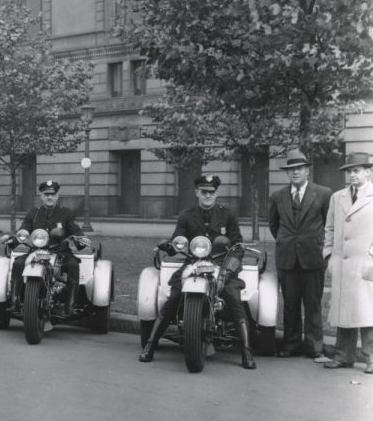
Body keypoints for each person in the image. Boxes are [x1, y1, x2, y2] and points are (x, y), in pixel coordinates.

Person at [139, 174, 256, 369]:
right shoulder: (187, 215)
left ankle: (246, 351)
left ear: (216, 193)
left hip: (222, 266)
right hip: (194, 265)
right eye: (204, 192)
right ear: (197, 192)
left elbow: (238, 246)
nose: (208, 195)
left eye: (211, 192)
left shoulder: (227, 214)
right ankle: (150, 345)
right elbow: (178, 241)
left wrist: (227, 271)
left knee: (235, 299)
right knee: (175, 297)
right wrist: (166, 246)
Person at [268, 149, 332, 360]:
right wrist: (288, 241)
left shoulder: (323, 194)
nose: (295, 173)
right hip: (287, 258)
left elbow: (328, 225)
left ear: (307, 171)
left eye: (299, 168)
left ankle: (315, 347)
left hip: (313, 257)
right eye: (291, 170)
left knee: (313, 304)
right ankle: (291, 344)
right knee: (290, 303)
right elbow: (274, 225)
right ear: (287, 173)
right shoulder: (278, 196)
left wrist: (318, 246)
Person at [7, 180, 89, 318]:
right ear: (41, 196)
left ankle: (70, 305)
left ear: (57, 196)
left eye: (53, 194)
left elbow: (74, 229)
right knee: (18, 263)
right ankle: (14, 302)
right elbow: (24, 230)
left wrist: (80, 238)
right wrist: (14, 239)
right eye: (46, 194)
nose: (49, 197)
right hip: (36, 252)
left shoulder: (66, 214)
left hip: (60, 252)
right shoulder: (33, 213)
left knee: (73, 265)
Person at [322, 152, 373, 374]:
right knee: (344, 309)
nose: (352, 174)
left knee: (367, 312)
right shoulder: (337, 197)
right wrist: (329, 255)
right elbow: (330, 228)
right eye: (349, 171)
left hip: (366, 262)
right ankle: (344, 355)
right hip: (342, 263)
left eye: (357, 170)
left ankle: (371, 357)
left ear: (368, 171)